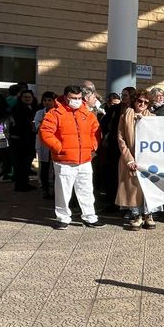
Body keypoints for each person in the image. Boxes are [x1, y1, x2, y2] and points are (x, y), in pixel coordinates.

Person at [39, 86, 104, 229]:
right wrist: (59, 148)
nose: (77, 100)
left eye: (79, 98)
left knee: (86, 190)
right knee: (63, 191)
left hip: (84, 159)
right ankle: (63, 218)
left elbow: (95, 131)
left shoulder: (87, 113)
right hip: (64, 160)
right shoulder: (55, 113)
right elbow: (45, 132)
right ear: (65, 97)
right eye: (73, 98)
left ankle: (90, 217)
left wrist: (92, 147)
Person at [116, 90, 156, 231]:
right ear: (134, 101)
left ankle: (148, 215)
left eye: (146, 102)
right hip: (130, 158)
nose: (142, 104)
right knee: (133, 189)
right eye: (140, 101)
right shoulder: (125, 115)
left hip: (148, 160)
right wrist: (129, 159)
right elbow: (121, 139)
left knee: (148, 188)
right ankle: (136, 216)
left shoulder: (153, 118)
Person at [9, 89, 38, 192]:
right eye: (24, 97)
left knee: (27, 164)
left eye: (29, 97)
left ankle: (25, 183)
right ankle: (20, 185)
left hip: (29, 140)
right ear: (20, 98)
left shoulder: (33, 108)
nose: (27, 99)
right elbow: (18, 124)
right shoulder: (17, 109)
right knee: (20, 164)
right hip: (19, 141)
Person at [33, 92, 57, 199]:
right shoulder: (39, 113)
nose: (47, 102)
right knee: (44, 167)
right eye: (45, 100)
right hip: (43, 143)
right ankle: (45, 190)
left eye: (49, 100)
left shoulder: (58, 112)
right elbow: (38, 127)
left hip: (55, 143)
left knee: (56, 168)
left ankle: (56, 191)